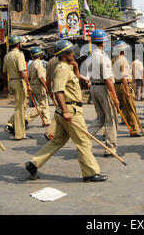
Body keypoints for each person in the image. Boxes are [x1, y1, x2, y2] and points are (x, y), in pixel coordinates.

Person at [24, 40, 108, 183]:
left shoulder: (67, 67)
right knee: (83, 142)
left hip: (68, 109)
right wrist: (65, 111)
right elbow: (58, 91)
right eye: (70, 52)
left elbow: (72, 82)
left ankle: (34, 164)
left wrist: (75, 68)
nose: (73, 54)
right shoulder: (62, 69)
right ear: (64, 55)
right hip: (70, 110)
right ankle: (90, 173)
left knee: (57, 141)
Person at [85, 30, 123, 157]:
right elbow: (107, 79)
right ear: (102, 42)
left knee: (101, 118)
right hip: (103, 88)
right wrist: (115, 96)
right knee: (111, 119)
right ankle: (111, 148)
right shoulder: (103, 57)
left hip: (94, 88)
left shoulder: (90, 56)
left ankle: (84, 137)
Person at [3, 35, 32, 140]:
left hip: (11, 81)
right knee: (20, 108)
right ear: (18, 44)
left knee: (19, 106)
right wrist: (28, 84)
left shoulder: (7, 56)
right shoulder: (19, 55)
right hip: (19, 81)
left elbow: (4, 72)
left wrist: (5, 86)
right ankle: (20, 134)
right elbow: (22, 71)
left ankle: (12, 126)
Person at [112, 41, 143, 137]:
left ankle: (108, 130)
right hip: (123, 85)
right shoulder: (123, 60)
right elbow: (124, 76)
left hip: (116, 85)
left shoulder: (113, 59)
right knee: (130, 109)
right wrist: (127, 90)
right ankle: (134, 130)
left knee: (116, 110)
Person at [25, 47, 51, 127]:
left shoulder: (31, 64)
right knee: (42, 105)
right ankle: (27, 118)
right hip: (39, 85)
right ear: (40, 55)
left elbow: (28, 76)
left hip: (33, 85)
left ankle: (46, 121)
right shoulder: (39, 63)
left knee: (44, 102)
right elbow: (41, 77)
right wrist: (46, 87)